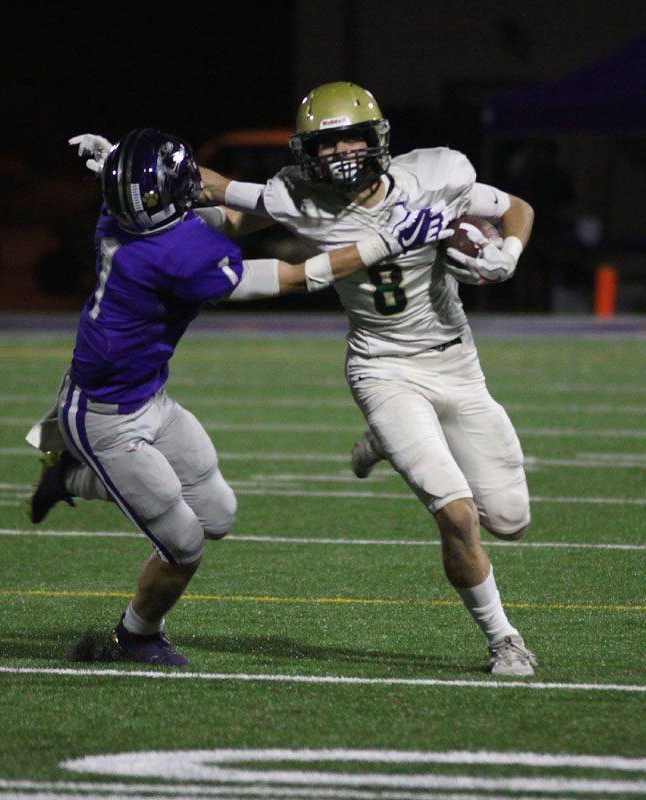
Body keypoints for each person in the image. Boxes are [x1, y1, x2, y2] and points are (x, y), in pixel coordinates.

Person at [76, 83, 538, 676]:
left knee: (510, 521)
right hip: (382, 367)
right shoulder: (299, 197)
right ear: (306, 152)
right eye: (327, 143)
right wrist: (125, 164)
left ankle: (390, 444)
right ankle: (505, 641)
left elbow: (516, 208)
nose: (341, 154)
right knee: (458, 516)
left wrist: (510, 253)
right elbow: (207, 186)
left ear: (379, 139)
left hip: (456, 362)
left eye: (351, 138)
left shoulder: (438, 173)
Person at [27, 128, 448, 666]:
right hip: (104, 418)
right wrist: (384, 241)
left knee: (218, 514)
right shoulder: (173, 254)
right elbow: (297, 276)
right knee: (183, 543)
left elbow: (218, 214)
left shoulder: (118, 217)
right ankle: (135, 635)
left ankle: (67, 475)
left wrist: (118, 160)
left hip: (146, 395)